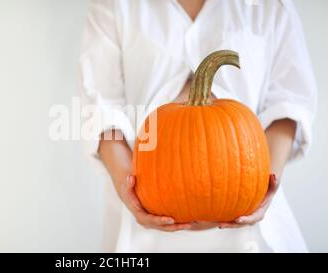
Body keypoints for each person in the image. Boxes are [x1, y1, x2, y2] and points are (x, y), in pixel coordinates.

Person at [79, 0, 317, 252]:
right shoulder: (114, 5)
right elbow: (101, 107)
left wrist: (263, 182)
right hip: (143, 219)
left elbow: (288, 104)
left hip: (250, 223)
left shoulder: (273, 6)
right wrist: (126, 183)